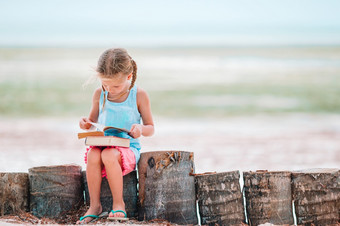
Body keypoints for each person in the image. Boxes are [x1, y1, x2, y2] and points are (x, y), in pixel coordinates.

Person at [77, 48, 154, 224]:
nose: (110, 90)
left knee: (108, 154)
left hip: (128, 147)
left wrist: (140, 129)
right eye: (105, 84)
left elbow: (151, 128)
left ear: (129, 76)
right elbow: (91, 121)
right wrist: (85, 123)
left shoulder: (139, 95)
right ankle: (95, 206)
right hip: (104, 143)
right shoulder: (99, 94)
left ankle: (119, 204)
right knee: (93, 154)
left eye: (116, 86)